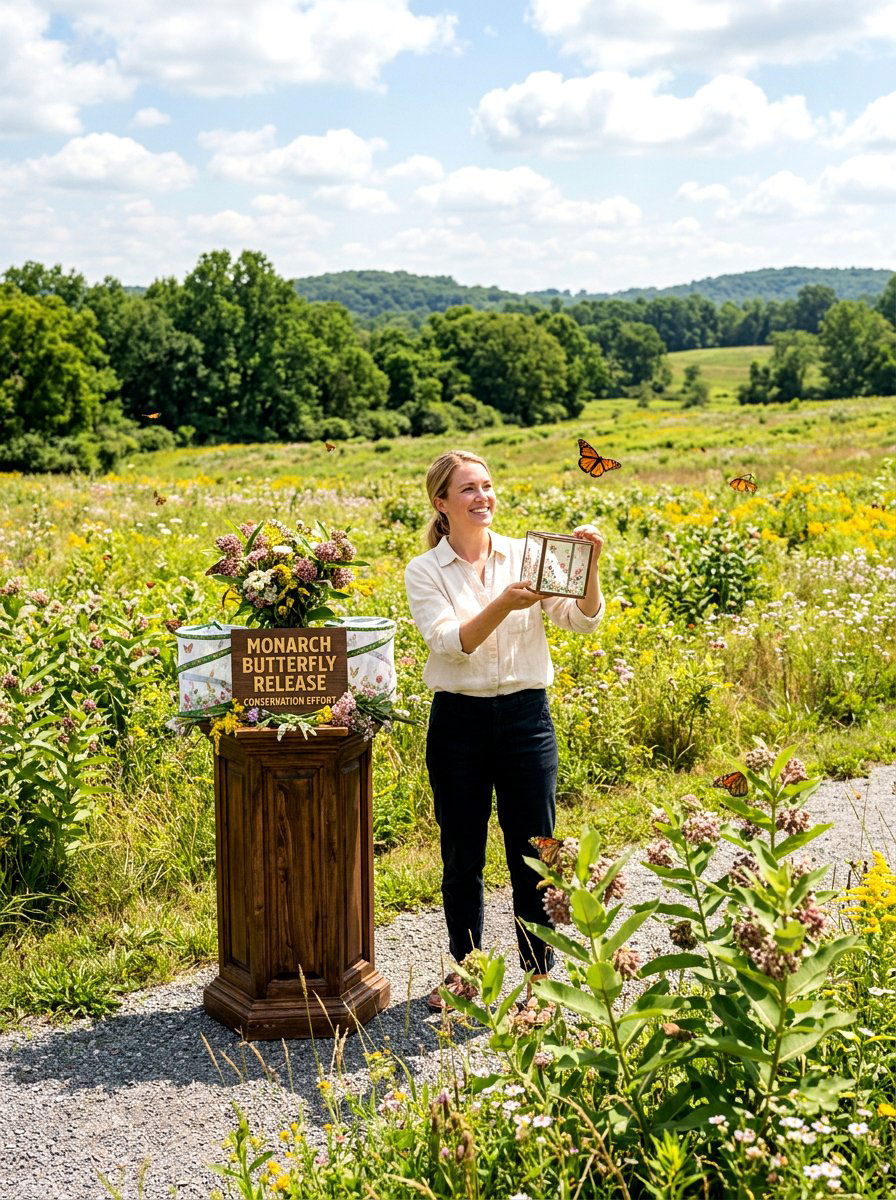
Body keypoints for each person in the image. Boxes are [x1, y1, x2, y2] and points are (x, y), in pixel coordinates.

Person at [404, 449, 605, 1010]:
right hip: (459, 724)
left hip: (525, 719)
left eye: (487, 486)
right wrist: (506, 602)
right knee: (462, 854)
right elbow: (451, 642)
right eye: (468, 489)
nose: (482, 498)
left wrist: (590, 566)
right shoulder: (425, 571)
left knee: (535, 853)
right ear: (441, 503)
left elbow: (580, 619)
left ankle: (540, 980)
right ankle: (467, 972)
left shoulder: (527, 554)